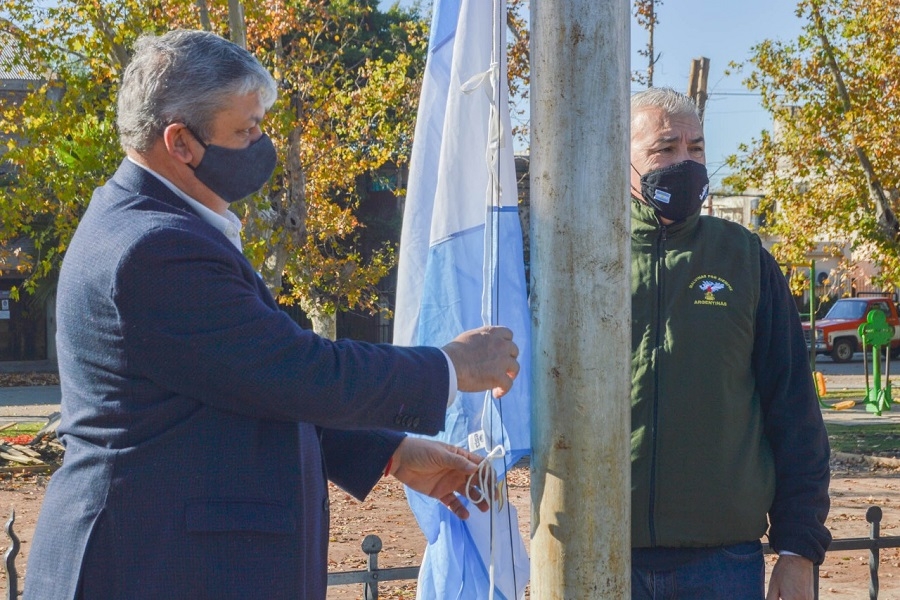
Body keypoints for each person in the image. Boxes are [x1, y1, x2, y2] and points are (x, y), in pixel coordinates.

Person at [24, 29, 519, 600]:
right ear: (180, 142)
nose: (262, 143)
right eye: (246, 129)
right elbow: (296, 371)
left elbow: (244, 385)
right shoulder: (152, 247)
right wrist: (450, 366)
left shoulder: (159, 223)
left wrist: (391, 453)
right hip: (152, 566)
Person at [628, 87, 831, 600]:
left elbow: (793, 408)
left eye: (696, 148)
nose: (686, 162)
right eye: (665, 149)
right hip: (599, 550)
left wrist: (798, 549)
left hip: (720, 561)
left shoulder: (745, 259)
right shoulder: (579, 257)